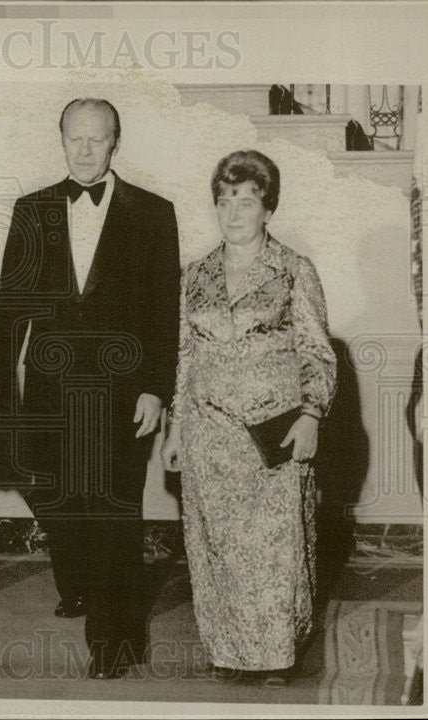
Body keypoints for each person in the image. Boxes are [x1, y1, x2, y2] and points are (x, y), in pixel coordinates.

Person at [0, 98, 181, 679]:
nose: (86, 150)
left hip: (123, 392)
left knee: (115, 507)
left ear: (116, 141)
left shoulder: (153, 212)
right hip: (50, 388)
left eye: (98, 139)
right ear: (61, 139)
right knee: (64, 499)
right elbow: (11, 306)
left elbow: (165, 311)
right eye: (75, 139)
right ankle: (80, 585)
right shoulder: (33, 209)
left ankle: (113, 641)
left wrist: (155, 389)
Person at [161, 149, 336, 684]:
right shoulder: (195, 275)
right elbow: (185, 355)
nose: (233, 211)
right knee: (217, 546)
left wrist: (310, 416)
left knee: (277, 548)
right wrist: (176, 427)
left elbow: (318, 352)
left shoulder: (293, 270)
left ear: (268, 206)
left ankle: (278, 654)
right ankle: (232, 652)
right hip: (208, 432)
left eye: (246, 199)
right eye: (224, 199)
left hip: (274, 431)